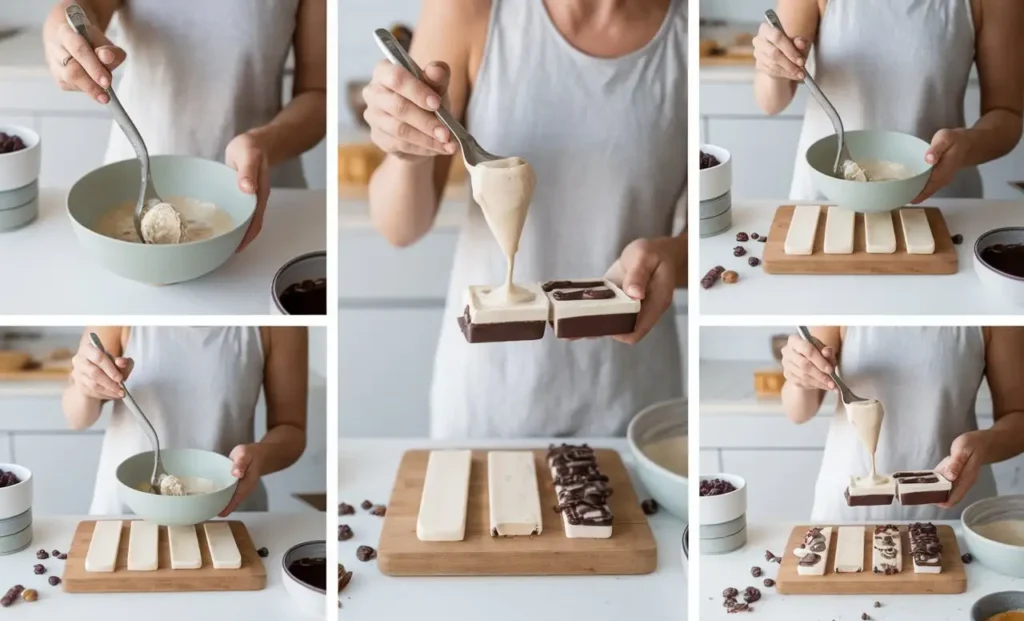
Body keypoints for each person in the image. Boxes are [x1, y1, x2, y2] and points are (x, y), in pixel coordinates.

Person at [363, 0, 688, 438]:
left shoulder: (689, 34)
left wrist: (675, 257)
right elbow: (399, 226)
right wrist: (406, 153)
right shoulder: (469, 10)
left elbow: (718, 233)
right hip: (491, 401)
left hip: (631, 404)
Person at [42, 0, 327, 250]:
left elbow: (318, 93)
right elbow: (81, 7)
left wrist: (264, 143)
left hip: (262, 196)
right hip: (130, 181)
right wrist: (62, 29)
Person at [753, 0, 1024, 202]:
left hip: (938, 201)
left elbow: (1006, 114)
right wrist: (772, 64)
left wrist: (967, 145)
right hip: (829, 196)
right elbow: (771, 101)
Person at [781, 326, 1024, 521]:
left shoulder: (990, 306)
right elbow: (798, 411)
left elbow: (1017, 415)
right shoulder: (844, 297)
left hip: (953, 513)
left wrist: (983, 445)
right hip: (848, 513)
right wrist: (799, 378)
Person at [62, 326, 308, 516]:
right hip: (125, 512)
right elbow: (76, 417)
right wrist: (86, 388)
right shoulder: (121, 311)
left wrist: (261, 456)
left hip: (226, 512)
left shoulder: (279, 320)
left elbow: (291, 430)